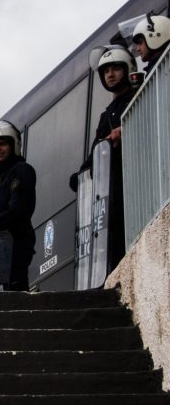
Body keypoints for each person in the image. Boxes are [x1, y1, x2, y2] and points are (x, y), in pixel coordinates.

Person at [70, 45, 138, 271]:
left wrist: (124, 128)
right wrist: (81, 175)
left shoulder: (140, 93)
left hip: (135, 178)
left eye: (115, 69)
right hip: (113, 188)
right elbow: (95, 150)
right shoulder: (106, 113)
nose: (110, 75)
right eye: (105, 71)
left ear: (127, 69)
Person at [0, 120, 36, 292]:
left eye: (2, 143)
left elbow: (19, 208)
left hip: (17, 242)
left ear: (13, 145)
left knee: (16, 290)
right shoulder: (1, 179)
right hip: (2, 247)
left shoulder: (21, 170)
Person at [130, 13, 170, 78]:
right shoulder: (156, 68)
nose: (138, 49)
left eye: (140, 43)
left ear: (156, 35)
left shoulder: (163, 66)